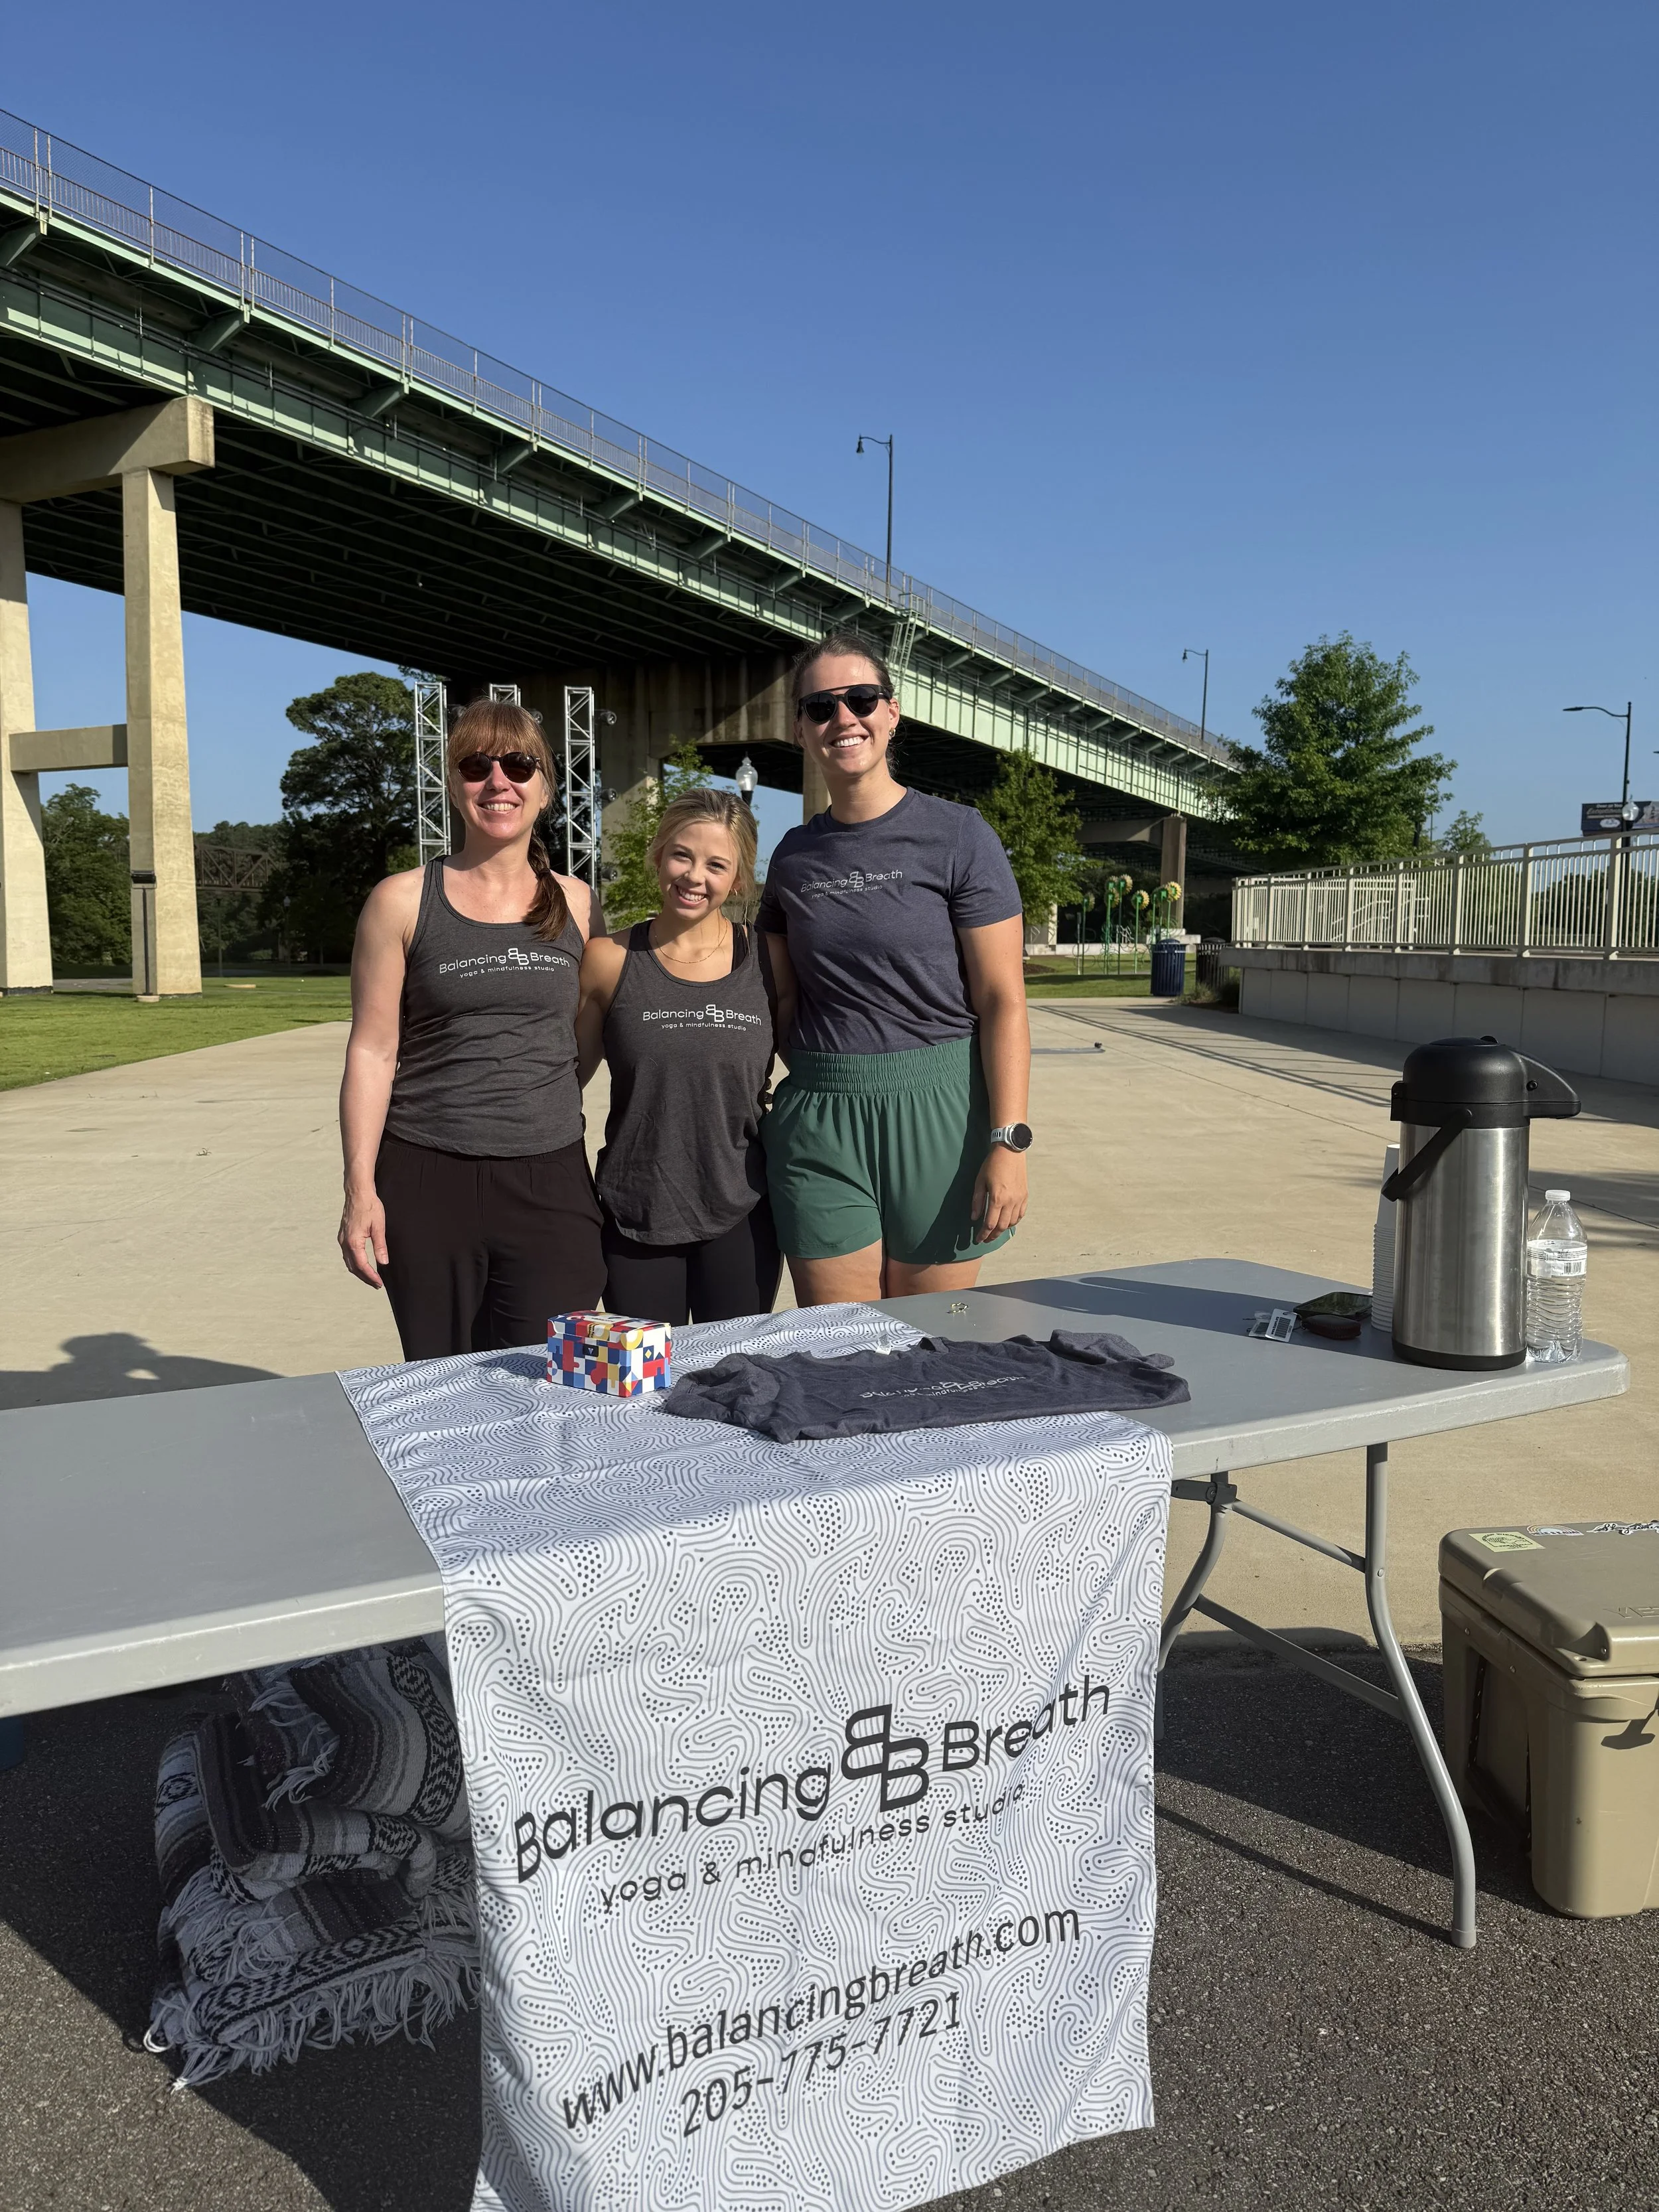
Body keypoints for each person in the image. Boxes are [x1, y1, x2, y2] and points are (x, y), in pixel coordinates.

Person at [757, 630, 1032, 1306]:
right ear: (800, 728)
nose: (842, 719)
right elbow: (777, 996)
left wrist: (1009, 1142)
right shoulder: (792, 857)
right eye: (820, 707)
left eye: (860, 699)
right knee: (838, 1349)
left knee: (926, 1347)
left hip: (941, 1109)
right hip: (823, 1114)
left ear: (892, 711)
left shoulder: (960, 835)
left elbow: (1002, 1000)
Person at [338, 697, 605, 1358]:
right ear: (454, 786)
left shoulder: (577, 902)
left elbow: (585, 1032)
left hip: (550, 1176)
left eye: (518, 765)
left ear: (544, 788)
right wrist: (358, 1188)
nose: (498, 781)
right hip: (428, 1177)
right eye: (475, 764)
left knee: (552, 1378)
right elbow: (372, 1050)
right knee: (442, 1383)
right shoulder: (400, 900)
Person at [575, 788, 780, 1325]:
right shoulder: (608, 960)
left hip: (743, 1209)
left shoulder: (769, 959)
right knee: (645, 1395)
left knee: (736, 1380)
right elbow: (560, 1083)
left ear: (738, 878)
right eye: (682, 855)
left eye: (717, 864)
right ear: (658, 854)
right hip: (634, 1209)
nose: (694, 876)